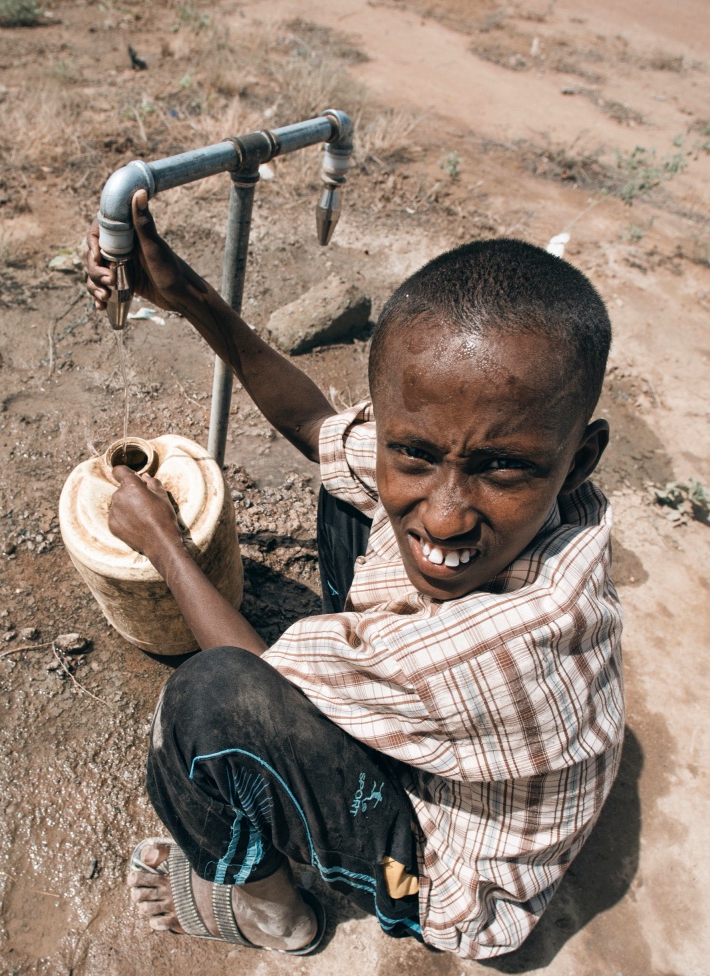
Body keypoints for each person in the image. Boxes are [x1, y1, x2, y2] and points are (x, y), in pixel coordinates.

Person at [82, 189, 624, 960]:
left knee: (206, 707)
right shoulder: (536, 487)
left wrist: (163, 542)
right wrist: (188, 296)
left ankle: (276, 916)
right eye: (415, 453)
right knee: (351, 492)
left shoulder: (513, 643)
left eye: (503, 469)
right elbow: (315, 429)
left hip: (448, 884)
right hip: (443, 719)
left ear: (582, 456)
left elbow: (252, 683)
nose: (444, 515)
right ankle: (350, 724)